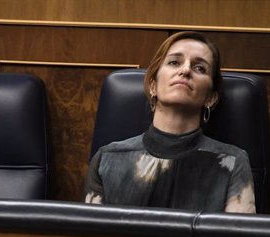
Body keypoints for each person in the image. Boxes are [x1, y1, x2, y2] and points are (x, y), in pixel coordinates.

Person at [83, 31, 256, 213]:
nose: (185, 70)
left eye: (200, 68)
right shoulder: (106, 159)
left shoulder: (233, 162)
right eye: (174, 62)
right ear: (153, 85)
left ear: (211, 98)